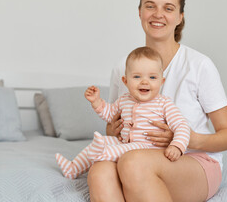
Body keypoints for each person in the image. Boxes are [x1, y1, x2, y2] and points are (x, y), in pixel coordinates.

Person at [87, 0, 227, 202]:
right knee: (99, 171)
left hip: (193, 162)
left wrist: (185, 139)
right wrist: (113, 131)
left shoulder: (199, 65)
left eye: (168, 8)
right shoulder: (122, 67)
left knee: (133, 162)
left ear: (180, 17)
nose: (158, 14)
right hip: (137, 155)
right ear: (140, 12)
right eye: (150, 6)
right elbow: (113, 126)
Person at [55, 47, 190, 179]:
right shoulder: (124, 100)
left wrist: (177, 146)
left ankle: (101, 155)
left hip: (148, 148)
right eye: (137, 76)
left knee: (119, 150)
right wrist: (96, 102)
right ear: (125, 81)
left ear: (161, 82)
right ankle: (73, 168)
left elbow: (182, 126)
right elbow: (109, 114)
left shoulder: (164, 104)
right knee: (103, 140)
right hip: (125, 142)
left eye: (152, 77)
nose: (144, 81)